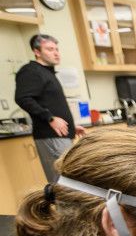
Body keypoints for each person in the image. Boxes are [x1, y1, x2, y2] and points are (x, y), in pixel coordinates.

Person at [14, 34, 86, 182]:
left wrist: (70, 126)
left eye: (56, 49)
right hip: (51, 135)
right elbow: (23, 98)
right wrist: (50, 118)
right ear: (37, 52)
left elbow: (50, 103)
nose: (56, 53)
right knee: (63, 182)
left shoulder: (48, 72)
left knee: (70, 180)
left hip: (60, 134)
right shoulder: (31, 71)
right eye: (49, 49)